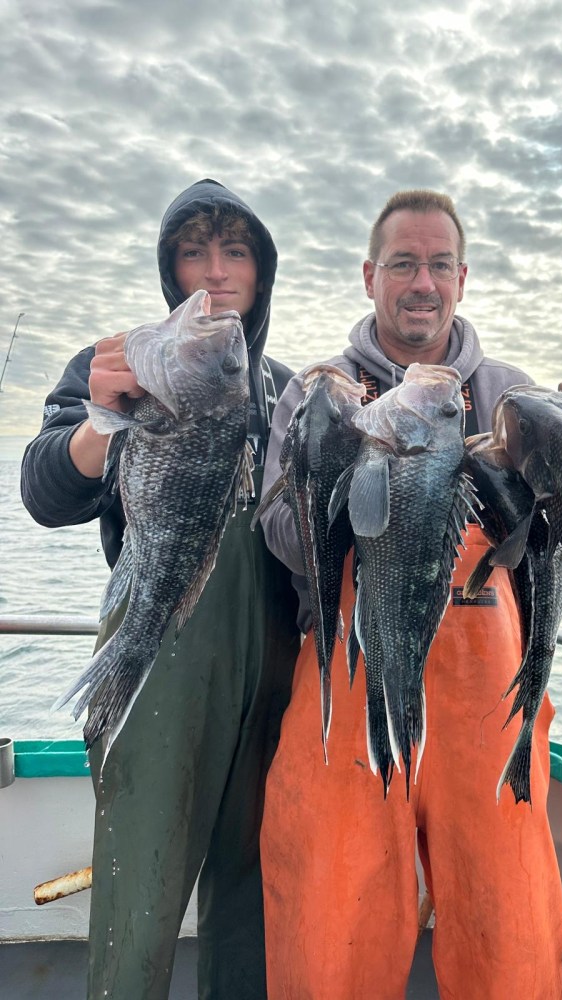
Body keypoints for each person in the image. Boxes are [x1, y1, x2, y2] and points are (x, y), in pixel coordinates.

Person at [258, 190, 562, 999]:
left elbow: (550, 541)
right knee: (331, 933)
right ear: (370, 276)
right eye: (402, 264)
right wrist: (357, 489)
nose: (420, 281)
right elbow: (280, 539)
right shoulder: (319, 393)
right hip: (349, 697)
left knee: (512, 935)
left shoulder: (514, 396)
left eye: (437, 264)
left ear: (461, 278)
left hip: (486, 708)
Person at [21, 178, 300, 1000]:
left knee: (251, 895)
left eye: (235, 250)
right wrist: (100, 426)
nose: (214, 271)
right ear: (170, 268)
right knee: (138, 889)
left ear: (262, 269)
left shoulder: (286, 388)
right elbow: (43, 493)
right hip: (156, 653)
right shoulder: (120, 364)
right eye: (193, 251)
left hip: (276, 665)